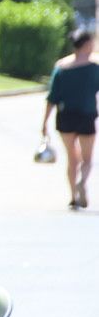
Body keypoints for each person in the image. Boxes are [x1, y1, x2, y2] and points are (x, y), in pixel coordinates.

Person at [41, 28, 99, 209]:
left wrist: (44, 122)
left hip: (65, 117)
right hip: (86, 115)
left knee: (71, 157)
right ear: (87, 44)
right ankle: (82, 182)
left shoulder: (61, 67)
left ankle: (73, 195)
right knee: (87, 158)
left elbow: (52, 97)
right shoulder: (94, 67)